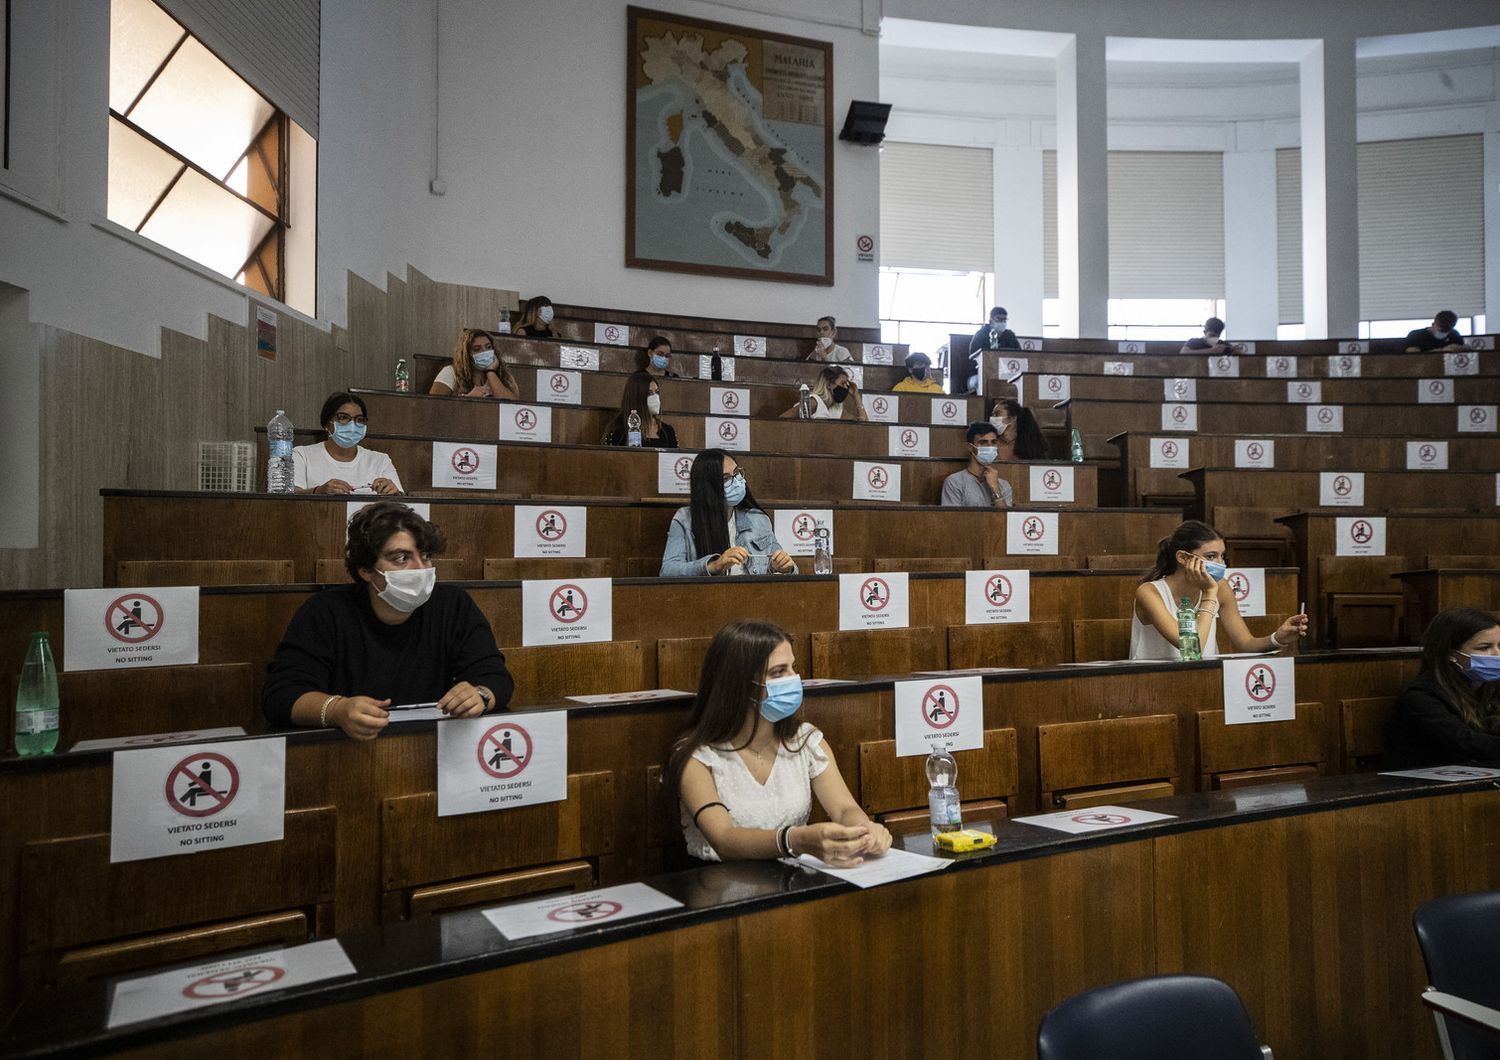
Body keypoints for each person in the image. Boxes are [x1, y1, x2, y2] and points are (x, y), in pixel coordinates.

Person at [262, 502, 514, 738]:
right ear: (366, 570)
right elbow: (282, 696)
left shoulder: (453, 604)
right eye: (401, 558)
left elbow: (496, 678)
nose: (419, 568)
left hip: (433, 746)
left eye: (425, 556)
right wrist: (338, 711)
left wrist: (479, 695)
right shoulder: (325, 611)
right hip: (347, 751)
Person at [665, 619, 893, 865]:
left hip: (795, 879)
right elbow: (724, 838)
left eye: (792, 668)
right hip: (719, 884)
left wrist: (864, 831)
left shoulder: (805, 740)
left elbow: (844, 809)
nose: (793, 679)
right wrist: (795, 841)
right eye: (778, 672)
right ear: (740, 684)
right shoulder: (695, 756)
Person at [1130, 520, 1308, 660]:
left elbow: (1246, 643)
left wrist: (1278, 638)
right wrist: (1209, 593)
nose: (1220, 563)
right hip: (1153, 684)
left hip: (1204, 678)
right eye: (1210, 556)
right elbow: (1190, 646)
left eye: (1222, 556)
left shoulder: (1221, 588)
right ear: (1183, 558)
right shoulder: (1149, 592)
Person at [1384, 608, 1500, 769]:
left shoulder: (1491, 687)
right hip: (1428, 783)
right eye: (1484, 648)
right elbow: (1464, 742)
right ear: (1451, 654)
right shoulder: (1420, 696)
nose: (1497, 654)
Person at [660, 450, 797, 576]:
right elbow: (668, 571)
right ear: (707, 487)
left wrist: (787, 568)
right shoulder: (685, 519)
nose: (737, 482)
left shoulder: (758, 519)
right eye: (726, 478)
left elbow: (786, 566)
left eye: (737, 473)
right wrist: (715, 565)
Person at [293, 392, 403, 496]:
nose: (352, 425)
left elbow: (403, 504)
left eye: (359, 419)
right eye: (343, 417)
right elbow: (289, 498)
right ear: (327, 423)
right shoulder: (302, 455)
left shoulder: (380, 461)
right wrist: (317, 491)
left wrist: (395, 493)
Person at [430, 329, 520, 399]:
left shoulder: (501, 374)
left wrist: (490, 371)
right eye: (477, 349)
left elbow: (510, 406)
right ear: (466, 355)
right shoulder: (450, 372)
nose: (485, 352)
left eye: (488, 347)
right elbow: (434, 406)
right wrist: (468, 398)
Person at [941, 422, 1013, 508]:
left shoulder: (1003, 485)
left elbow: (1005, 519)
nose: (989, 447)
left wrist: (996, 489)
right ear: (970, 447)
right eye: (983, 442)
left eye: (993, 442)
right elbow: (951, 518)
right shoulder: (954, 482)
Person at [602, 370, 679, 448]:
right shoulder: (617, 430)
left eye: (657, 392)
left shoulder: (668, 431)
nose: (655, 397)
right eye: (649, 393)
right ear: (637, 397)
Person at [963, 306, 1021, 392]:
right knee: (979, 382)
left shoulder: (1010, 336)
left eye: (1004, 320)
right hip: (978, 374)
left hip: (1006, 373)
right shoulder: (980, 335)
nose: (1002, 322)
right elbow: (973, 358)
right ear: (991, 321)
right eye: (999, 319)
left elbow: (1019, 354)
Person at [784, 366, 867, 420]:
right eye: (842, 383)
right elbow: (782, 421)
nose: (846, 388)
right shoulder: (814, 402)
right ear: (829, 384)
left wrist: (856, 396)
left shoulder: (836, 409)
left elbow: (864, 426)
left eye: (847, 385)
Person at [1404, 310, 1470, 353]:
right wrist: (1442, 350)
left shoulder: (1454, 334)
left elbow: (1463, 349)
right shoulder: (1416, 335)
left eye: (1447, 331)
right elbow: (1412, 355)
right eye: (1441, 330)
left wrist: (1463, 348)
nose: (1444, 333)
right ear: (1433, 324)